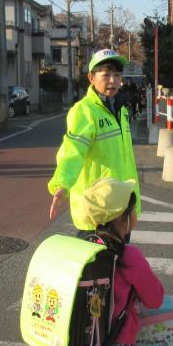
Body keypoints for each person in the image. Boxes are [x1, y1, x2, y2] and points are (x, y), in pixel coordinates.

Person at [72, 177, 164, 346]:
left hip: (88, 343)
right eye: (132, 210)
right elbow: (155, 298)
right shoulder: (128, 255)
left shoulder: (82, 246)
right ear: (122, 218)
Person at [48, 49, 141, 236]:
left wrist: (133, 204)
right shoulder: (84, 111)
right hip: (97, 209)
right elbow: (72, 151)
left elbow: (126, 160)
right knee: (97, 264)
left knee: (119, 263)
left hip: (120, 206)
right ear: (91, 77)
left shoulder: (121, 110)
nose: (113, 81)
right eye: (106, 75)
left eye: (117, 75)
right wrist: (61, 184)